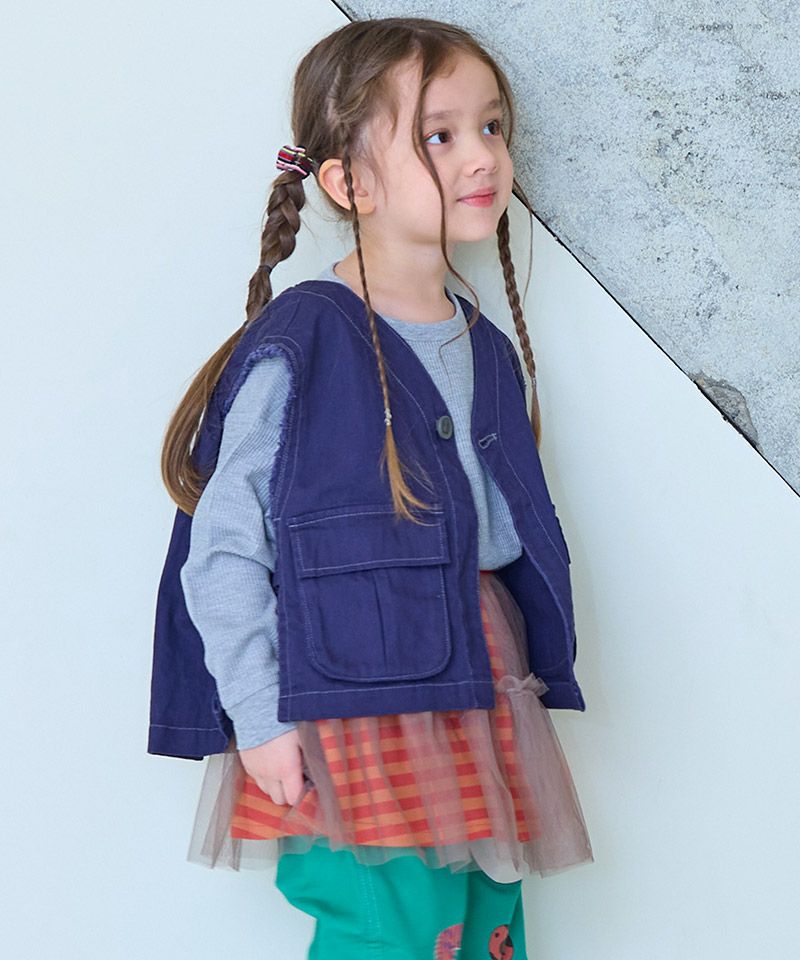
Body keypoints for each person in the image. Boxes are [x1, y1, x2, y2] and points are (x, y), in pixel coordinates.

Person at [150, 16, 594, 958]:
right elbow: (223, 547)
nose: (482, 155)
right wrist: (259, 716)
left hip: (473, 685)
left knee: (483, 931)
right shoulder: (306, 339)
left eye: (491, 126)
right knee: (390, 931)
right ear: (349, 182)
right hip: (350, 702)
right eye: (439, 135)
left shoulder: (482, 343)